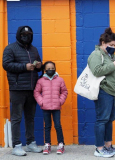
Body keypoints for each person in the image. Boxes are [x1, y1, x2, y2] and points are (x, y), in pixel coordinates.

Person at [2, 26, 42, 156]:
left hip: (32, 88)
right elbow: (6, 64)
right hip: (17, 88)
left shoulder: (34, 49)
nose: (26, 36)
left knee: (30, 118)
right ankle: (17, 145)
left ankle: (30, 144)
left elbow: (37, 68)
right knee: (16, 118)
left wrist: (39, 66)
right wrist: (24, 67)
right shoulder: (10, 48)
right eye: (23, 34)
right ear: (19, 35)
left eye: (29, 34)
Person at [88, 27, 115, 158]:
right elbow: (97, 71)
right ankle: (99, 148)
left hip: (113, 91)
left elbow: (112, 74)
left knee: (110, 119)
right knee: (102, 119)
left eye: (114, 45)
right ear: (103, 43)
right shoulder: (96, 55)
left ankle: (108, 146)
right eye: (110, 45)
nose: (113, 47)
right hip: (104, 91)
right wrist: (113, 65)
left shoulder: (110, 55)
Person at [34, 61, 68, 155]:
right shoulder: (41, 81)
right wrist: (42, 102)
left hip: (56, 107)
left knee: (58, 125)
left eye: (52, 68)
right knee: (47, 126)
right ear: (45, 70)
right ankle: (47, 144)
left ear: (55, 69)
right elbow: (36, 92)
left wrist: (60, 101)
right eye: (48, 69)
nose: (50, 70)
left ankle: (61, 144)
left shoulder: (60, 80)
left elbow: (64, 92)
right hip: (45, 107)